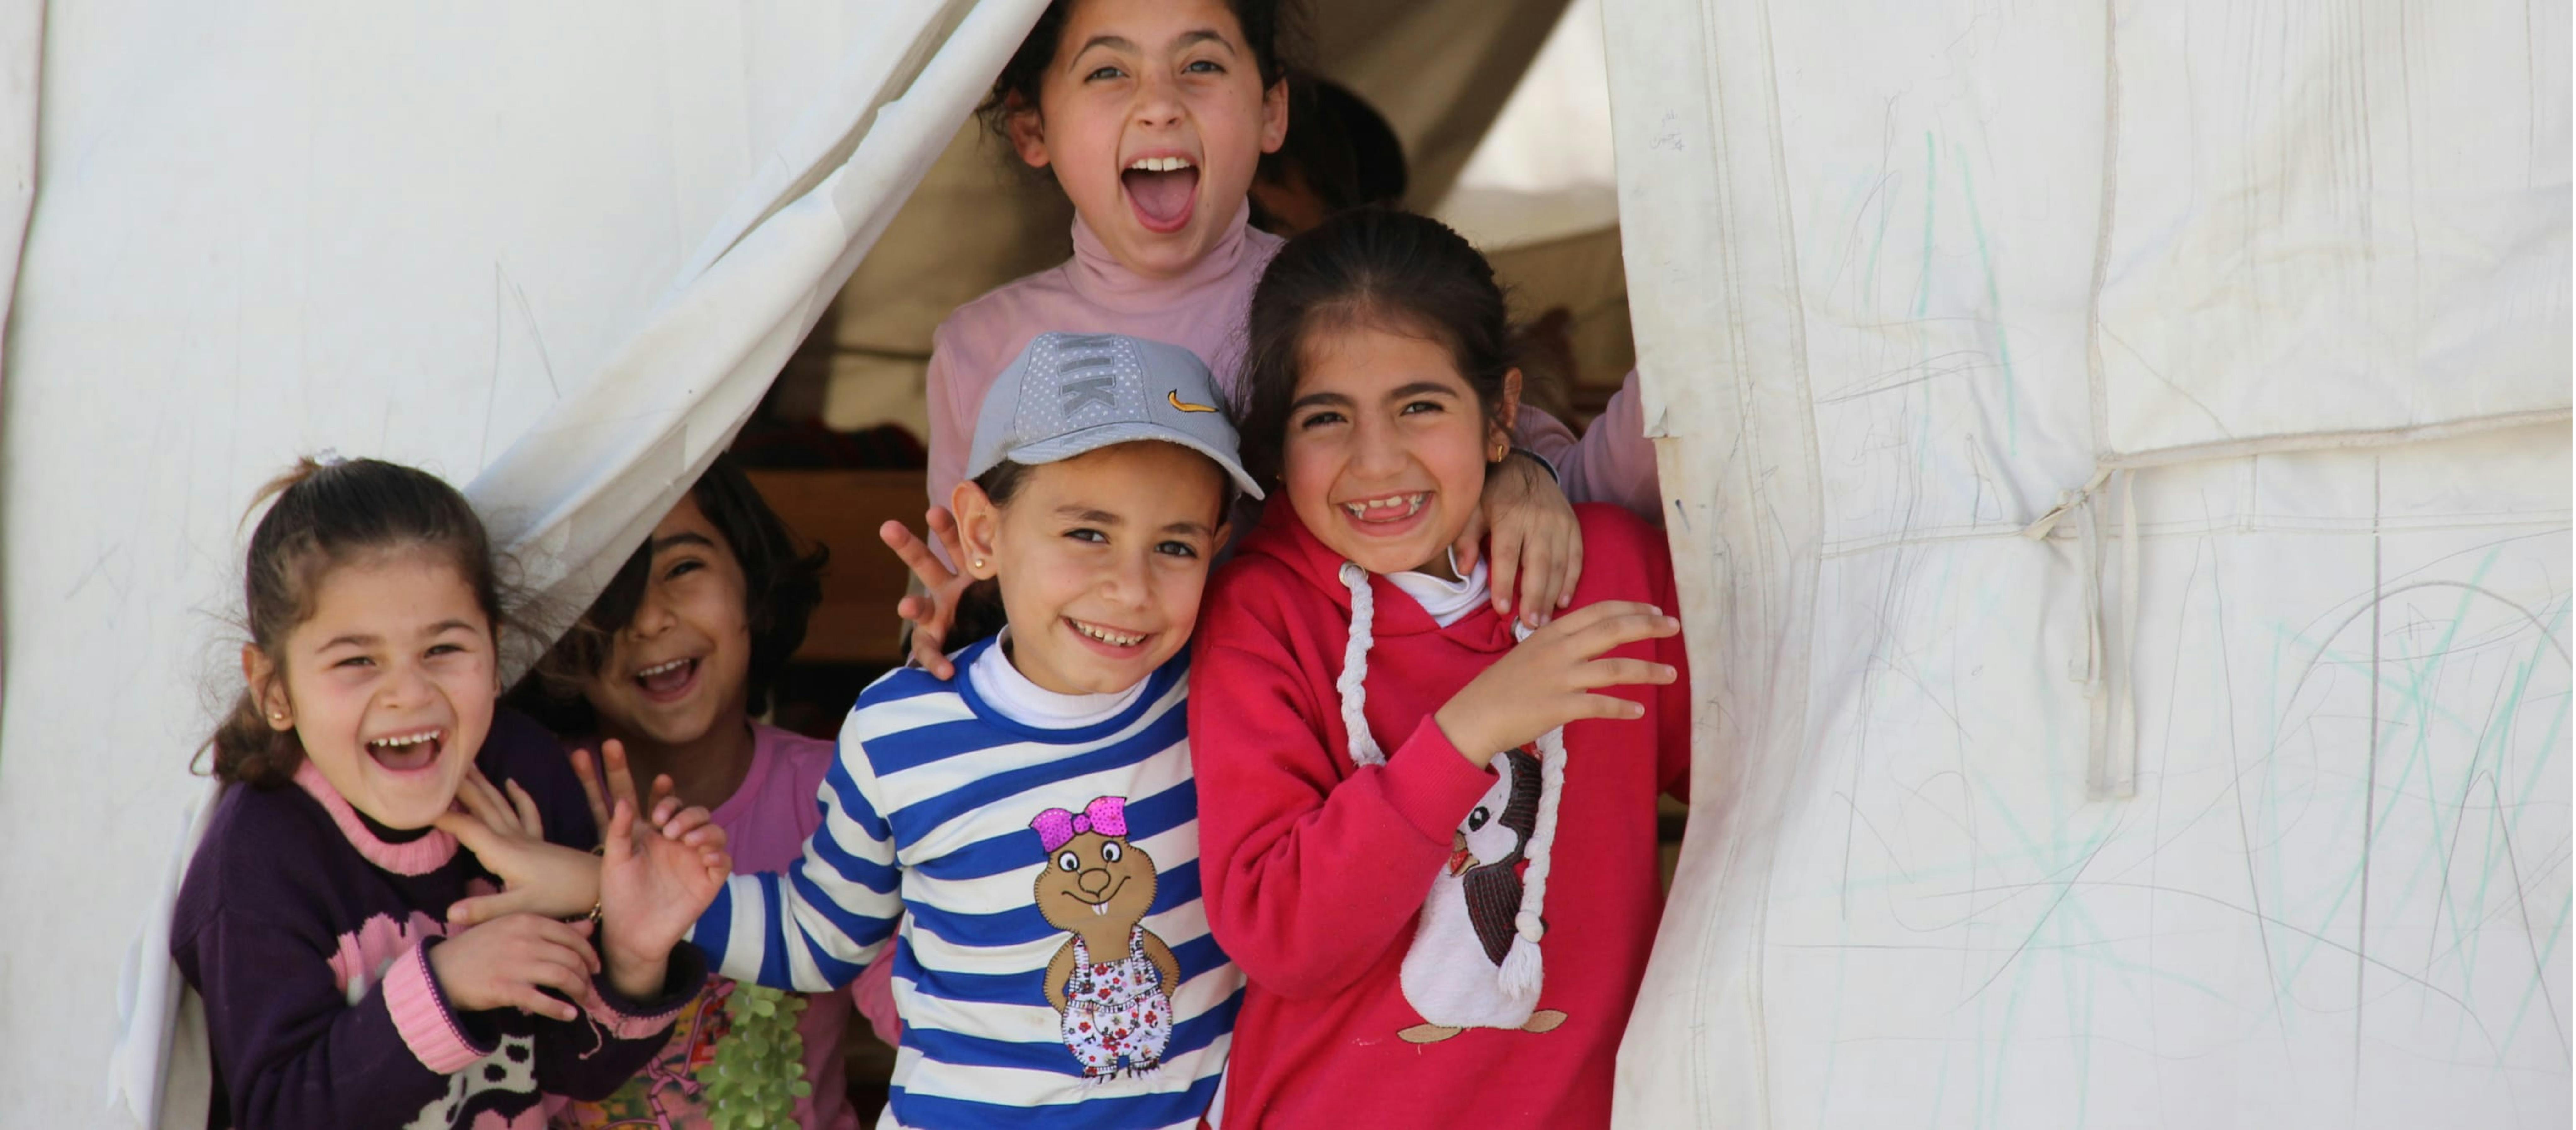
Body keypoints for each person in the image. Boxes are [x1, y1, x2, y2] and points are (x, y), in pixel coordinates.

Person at [886, 0, 1602, 681]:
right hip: (1106, 775)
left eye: (1200, 66)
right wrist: (956, 615)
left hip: (1323, 743)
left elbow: (1506, 435)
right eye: (1109, 70)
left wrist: (1526, 476)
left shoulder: (1337, 301)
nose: (1160, 102)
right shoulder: (977, 345)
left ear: (1270, 111)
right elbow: (968, 573)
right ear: (1032, 128)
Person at [668, 333, 1258, 1128]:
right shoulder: (898, 728)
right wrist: (652, 902)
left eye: (1175, 545)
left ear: (1217, 551)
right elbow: (819, 938)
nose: (1131, 587)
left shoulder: (1229, 698)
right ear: (982, 534)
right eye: (1088, 532)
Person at [1188, 209, 1694, 1128]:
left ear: (1501, 413)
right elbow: (1283, 936)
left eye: (1420, 405)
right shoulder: (1261, 614)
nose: (1377, 460)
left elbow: (1769, 790)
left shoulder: (1612, 573)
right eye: (1325, 417)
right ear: (1275, 444)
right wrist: (1468, 731)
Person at [171, 456, 731, 1130]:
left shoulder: (522, 773)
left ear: (495, 656)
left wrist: (635, 956)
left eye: (442, 649)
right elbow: (279, 1109)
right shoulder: (257, 860)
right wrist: (447, 984)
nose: (409, 693)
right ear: (274, 691)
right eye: (357, 660)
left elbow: (573, 1065)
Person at [504, 454, 872, 1130]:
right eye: (608, 589)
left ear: (752, 582)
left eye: (683, 568)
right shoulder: (527, 804)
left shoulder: (843, 792)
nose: (648, 620)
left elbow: (935, 1018)